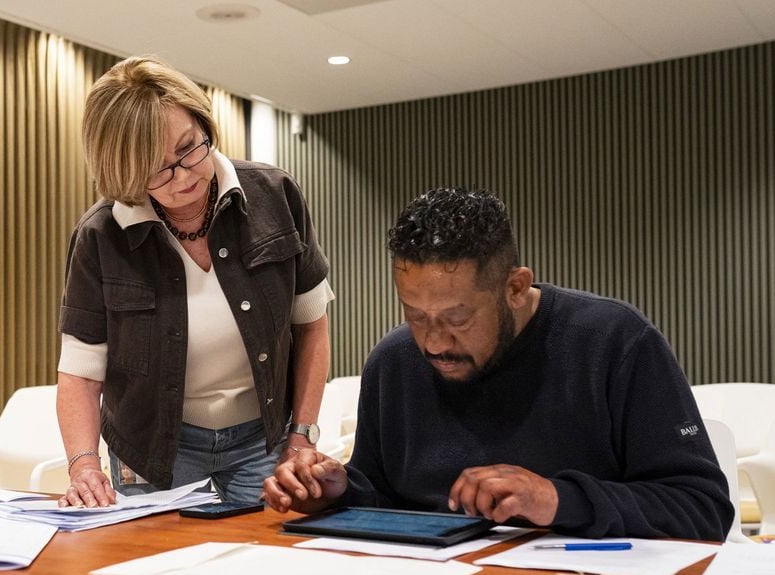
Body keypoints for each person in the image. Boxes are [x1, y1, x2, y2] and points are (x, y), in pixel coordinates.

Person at [264, 187, 732, 540]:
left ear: (514, 287)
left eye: (457, 318)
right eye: (414, 315)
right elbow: (383, 494)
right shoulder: (394, 360)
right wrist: (338, 490)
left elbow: (702, 509)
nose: (433, 342)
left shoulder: (614, 341)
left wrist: (557, 499)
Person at [57, 56, 333, 508]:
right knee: (154, 568)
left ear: (204, 124)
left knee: (263, 561)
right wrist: (84, 465)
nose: (183, 176)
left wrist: (302, 435)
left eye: (189, 148)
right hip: (152, 445)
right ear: (122, 170)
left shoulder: (274, 195)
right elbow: (81, 371)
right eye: (156, 168)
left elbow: (312, 326)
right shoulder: (101, 235)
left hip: (263, 440)